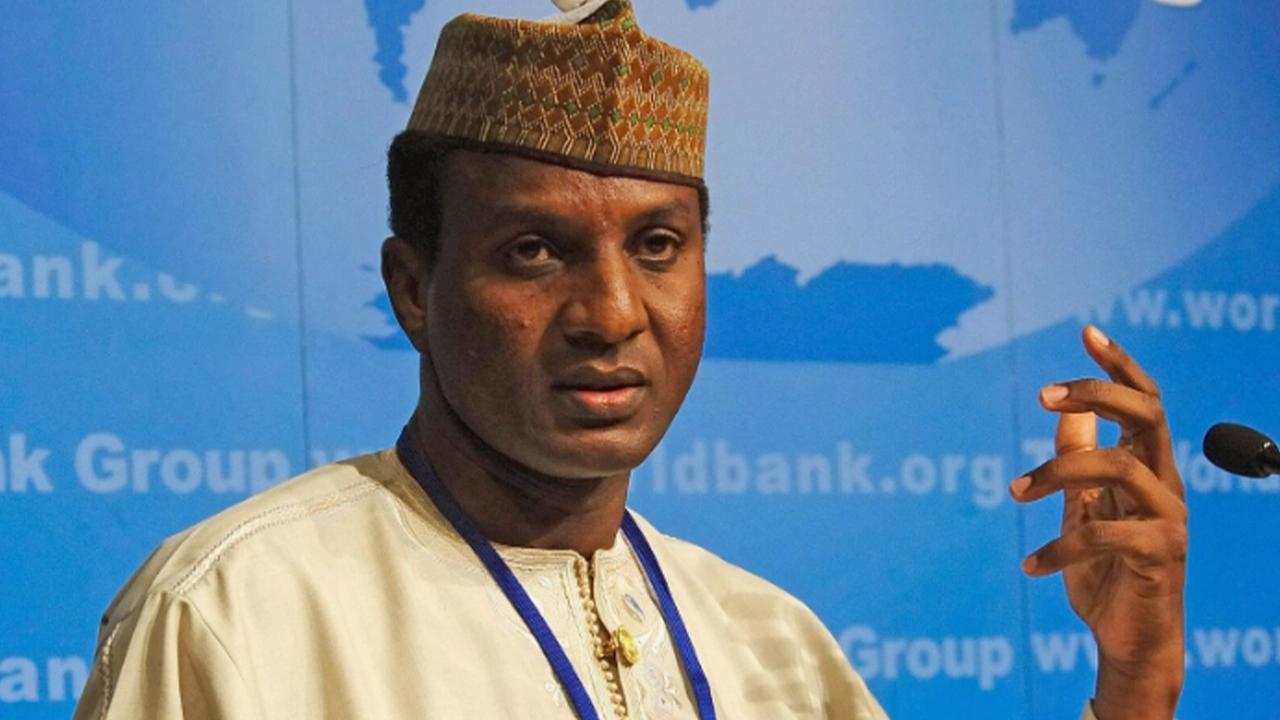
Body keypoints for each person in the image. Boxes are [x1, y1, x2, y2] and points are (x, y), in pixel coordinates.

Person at [73, 1, 1187, 718]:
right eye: (533, 250)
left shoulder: (776, 652)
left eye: (657, 247)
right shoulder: (240, 614)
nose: (610, 313)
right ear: (413, 289)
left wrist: (1134, 682)